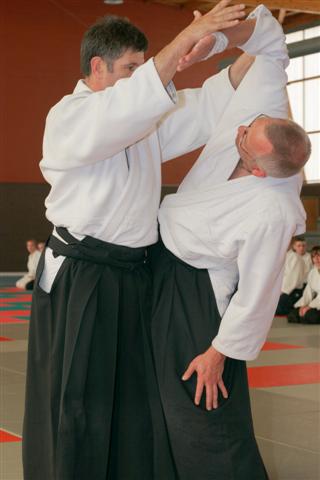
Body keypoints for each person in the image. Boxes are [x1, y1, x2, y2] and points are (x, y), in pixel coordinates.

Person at [22, 3, 249, 479]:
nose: (141, 76)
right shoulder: (69, 117)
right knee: (80, 403)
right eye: (131, 67)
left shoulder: (139, 121)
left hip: (133, 273)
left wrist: (256, 50)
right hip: (85, 275)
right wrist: (190, 36)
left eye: (143, 67)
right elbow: (127, 108)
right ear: (97, 68)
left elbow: (204, 106)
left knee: (134, 398)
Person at [150, 5, 311, 479]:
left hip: (202, 298)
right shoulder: (266, 114)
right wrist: (216, 40)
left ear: (261, 170)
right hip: (165, 265)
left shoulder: (273, 211)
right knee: (161, 395)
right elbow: (271, 39)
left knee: (202, 403)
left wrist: (218, 352)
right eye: (246, 127)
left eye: (244, 141)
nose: (238, 130)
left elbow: (258, 291)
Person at [287, 246, 320, 324]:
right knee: (293, 314)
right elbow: (308, 292)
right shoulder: (313, 272)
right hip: (317, 303)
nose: (316, 259)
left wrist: (310, 306)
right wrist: (302, 306)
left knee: (310, 315)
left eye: (319, 256)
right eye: (314, 257)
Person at [276, 243, 306, 315]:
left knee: (274, 308)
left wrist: (280, 293)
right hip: (280, 291)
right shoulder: (280, 257)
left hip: (292, 292)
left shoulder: (295, 257)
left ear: (289, 244)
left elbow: (292, 280)